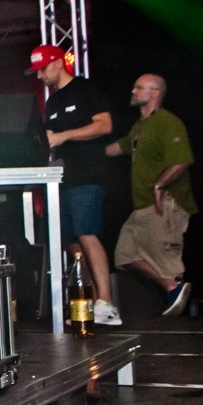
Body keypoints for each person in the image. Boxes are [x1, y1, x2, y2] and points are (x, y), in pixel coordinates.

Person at [26, 44, 122, 325]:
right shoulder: (53, 102)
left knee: (87, 233)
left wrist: (64, 136)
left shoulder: (85, 89)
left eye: (43, 68)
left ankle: (107, 302)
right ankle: (90, 303)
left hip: (87, 175)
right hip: (62, 179)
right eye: (36, 71)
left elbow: (105, 125)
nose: (40, 75)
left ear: (58, 63)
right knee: (69, 240)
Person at [106, 74, 197, 316]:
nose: (133, 91)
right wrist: (84, 150)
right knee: (124, 255)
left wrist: (159, 185)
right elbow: (118, 147)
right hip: (142, 207)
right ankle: (171, 287)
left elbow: (183, 160)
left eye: (139, 87)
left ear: (155, 92)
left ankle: (176, 293)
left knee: (168, 262)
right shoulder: (140, 126)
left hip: (164, 204)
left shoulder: (168, 122)